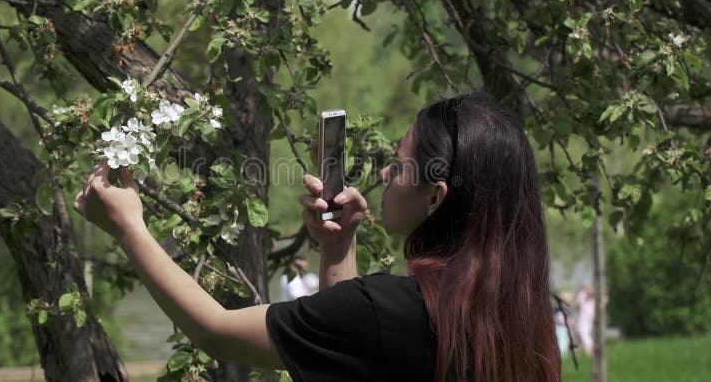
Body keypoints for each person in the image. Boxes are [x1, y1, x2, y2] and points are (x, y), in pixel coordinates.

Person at [73, 92, 562, 382]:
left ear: (435, 199)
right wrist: (338, 246)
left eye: (400, 163)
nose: (386, 172)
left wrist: (128, 227)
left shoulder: (390, 309)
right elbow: (351, 357)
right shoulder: (518, 317)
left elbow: (215, 332)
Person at [575, 286, 596, 356]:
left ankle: (589, 354)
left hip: (588, 323)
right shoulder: (582, 300)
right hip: (581, 322)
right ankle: (589, 354)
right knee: (584, 338)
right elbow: (578, 303)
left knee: (582, 339)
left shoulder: (592, 302)